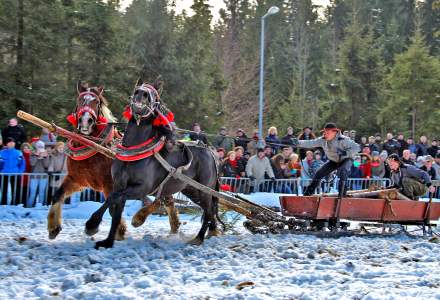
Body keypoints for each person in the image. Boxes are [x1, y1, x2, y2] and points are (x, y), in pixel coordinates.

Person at [291, 123, 360, 197]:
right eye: (324, 132)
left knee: (343, 171)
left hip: (346, 159)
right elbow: (311, 143)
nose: (325, 134)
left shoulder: (343, 140)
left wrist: (345, 152)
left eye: (328, 133)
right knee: (319, 173)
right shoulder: (322, 140)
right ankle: (308, 193)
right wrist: (298, 142)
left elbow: (357, 147)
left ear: (334, 132)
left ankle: (342, 194)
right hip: (333, 161)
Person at [0, 138, 25, 205]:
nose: (11, 143)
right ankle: (3, 204)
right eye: (10, 142)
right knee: (3, 190)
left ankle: (15, 204)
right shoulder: (1, 153)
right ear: (6, 144)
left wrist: (20, 172)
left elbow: (22, 163)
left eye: (13, 142)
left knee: (16, 190)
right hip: (3, 174)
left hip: (15, 174)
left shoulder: (19, 152)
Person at [27, 141, 50, 207]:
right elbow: (32, 163)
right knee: (32, 193)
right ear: (36, 147)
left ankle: (40, 206)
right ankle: (29, 206)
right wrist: (37, 155)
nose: (40, 149)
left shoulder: (46, 154)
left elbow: (46, 165)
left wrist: (45, 157)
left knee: (42, 193)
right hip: (34, 177)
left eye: (41, 147)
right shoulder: (32, 154)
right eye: (39, 147)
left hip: (43, 177)